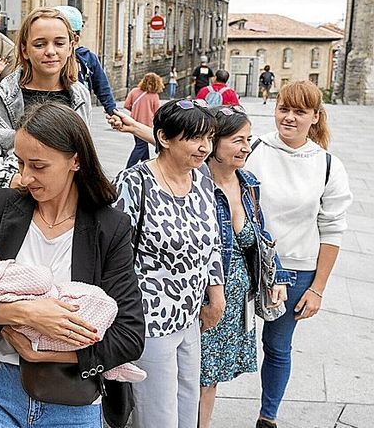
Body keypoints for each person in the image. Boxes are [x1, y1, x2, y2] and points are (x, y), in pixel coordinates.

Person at [0, 102, 144, 428]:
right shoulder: (2, 206)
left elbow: (130, 336)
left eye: (38, 166)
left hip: (73, 398)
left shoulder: (110, 227)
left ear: (75, 160)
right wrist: (22, 314)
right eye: (20, 163)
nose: (24, 177)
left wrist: (45, 352)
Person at [244, 81, 353, 428]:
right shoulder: (254, 147)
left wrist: (317, 288)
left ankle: (268, 417)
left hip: (294, 271)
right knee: (215, 340)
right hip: (245, 263)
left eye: (299, 112)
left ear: (315, 117)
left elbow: (332, 230)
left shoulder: (327, 165)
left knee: (277, 347)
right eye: (283, 108)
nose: (289, 118)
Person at [112, 99, 225, 428]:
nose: (204, 147)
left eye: (209, 138)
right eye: (194, 138)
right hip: (149, 318)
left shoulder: (202, 180)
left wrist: (215, 294)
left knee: (187, 404)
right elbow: (115, 255)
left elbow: (213, 240)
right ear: (163, 137)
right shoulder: (135, 182)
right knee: (156, 413)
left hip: (190, 316)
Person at [197, 105, 293, 428]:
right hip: (203, 297)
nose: (246, 148)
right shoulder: (196, 183)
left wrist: (275, 274)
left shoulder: (248, 182)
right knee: (194, 373)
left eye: (249, 139)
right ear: (213, 141)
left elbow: (261, 233)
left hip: (238, 299)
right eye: (238, 140)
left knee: (211, 376)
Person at [0, 238, 146, 383]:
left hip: (44, 348)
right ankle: (110, 365)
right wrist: (23, 312)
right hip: (2, 371)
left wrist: (38, 355)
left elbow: (130, 339)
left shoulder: (110, 224)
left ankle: (110, 366)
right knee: (104, 306)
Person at [0, 7, 93, 196]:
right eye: (40, 44)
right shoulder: (3, 98)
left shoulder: (80, 96)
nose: (50, 51)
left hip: (65, 204)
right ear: (25, 50)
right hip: (19, 201)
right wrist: (10, 180)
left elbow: (84, 153)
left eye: (59, 43)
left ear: (71, 46)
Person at [54, 5, 118, 114]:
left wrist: (112, 111)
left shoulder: (88, 58)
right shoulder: (51, 59)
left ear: (74, 38)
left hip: (79, 113)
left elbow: (102, 86)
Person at [123, 72, 163, 168]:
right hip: (147, 125)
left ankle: (146, 164)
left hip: (133, 122)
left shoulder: (134, 91)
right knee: (140, 146)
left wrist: (135, 111)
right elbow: (157, 112)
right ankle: (129, 167)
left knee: (142, 145)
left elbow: (126, 105)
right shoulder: (154, 96)